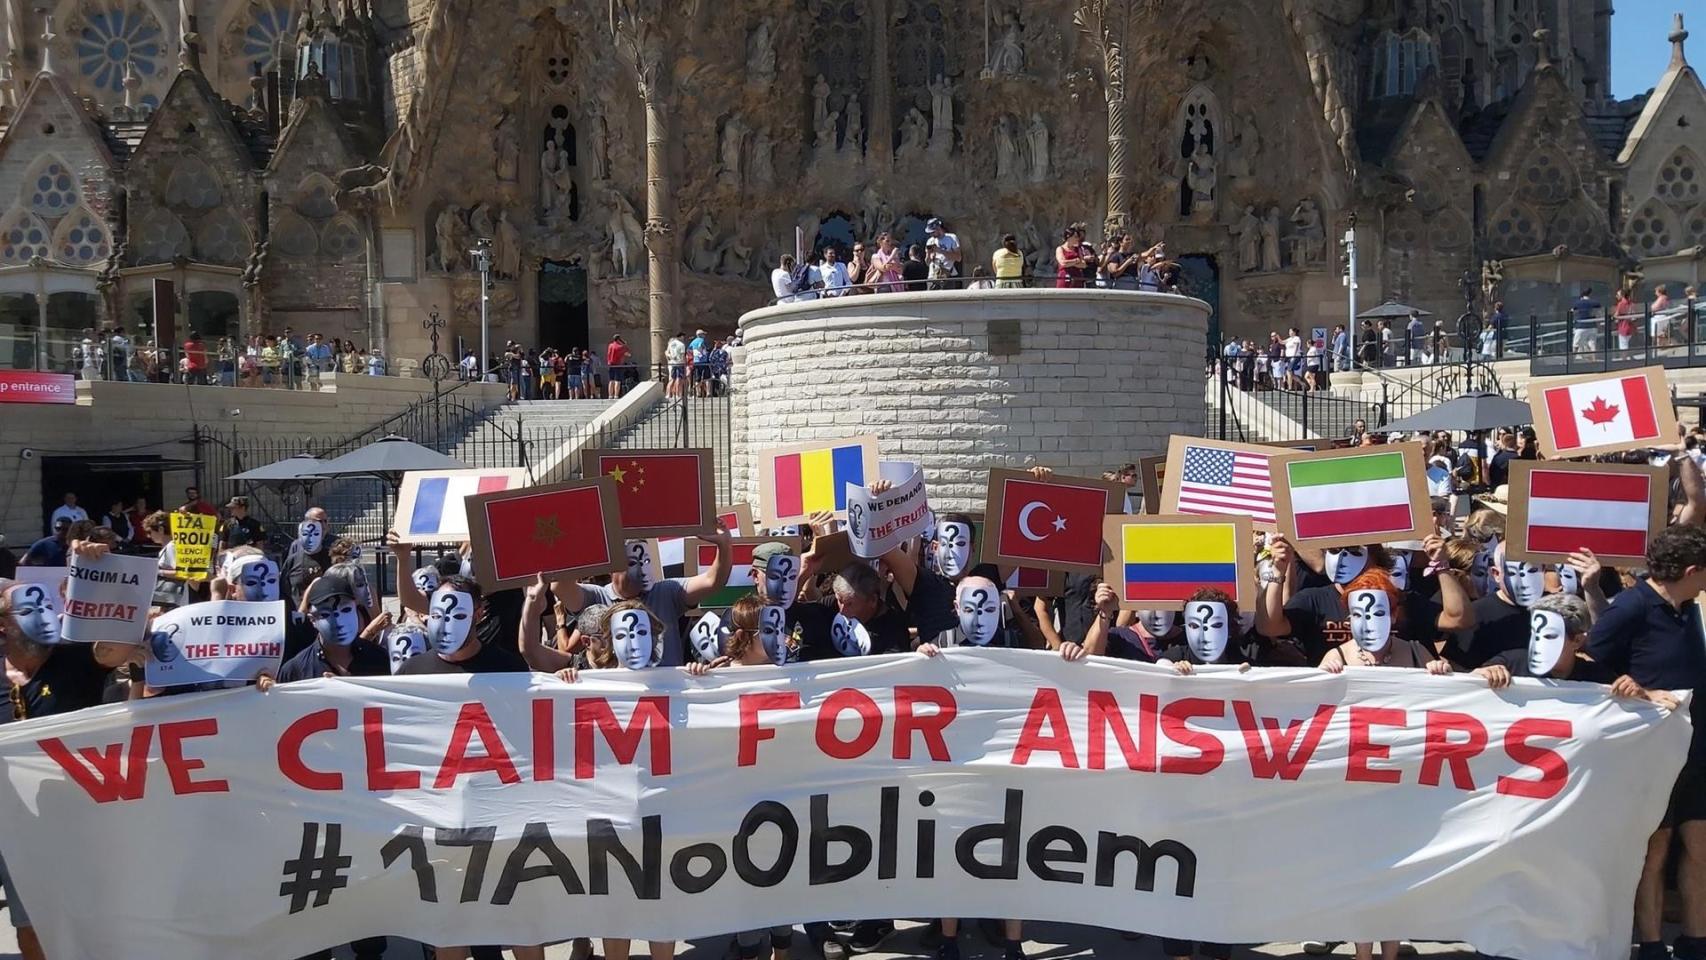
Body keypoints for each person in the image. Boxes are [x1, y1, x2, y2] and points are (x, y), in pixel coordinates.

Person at [1587, 525, 1706, 960]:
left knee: (1699, 847)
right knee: (1655, 851)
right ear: (1691, 570)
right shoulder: (1632, 606)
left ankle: (1696, 940)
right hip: (1650, 753)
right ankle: (1652, 943)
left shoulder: (1690, 607)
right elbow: (1590, 660)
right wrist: (1636, 690)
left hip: (1696, 748)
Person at [553, 526, 733, 667]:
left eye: (646, 561)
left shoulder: (666, 592)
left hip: (667, 698)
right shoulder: (596, 596)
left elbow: (712, 581)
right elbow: (559, 586)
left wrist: (724, 544)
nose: (641, 570)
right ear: (611, 566)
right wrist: (579, 542)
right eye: (632, 563)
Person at [283, 509, 333, 609]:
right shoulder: (297, 545)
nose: (323, 525)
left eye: (325, 521)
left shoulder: (335, 544)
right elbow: (286, 580)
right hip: (298, 605)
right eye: (319, 521)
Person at [924, 217, 961, 283]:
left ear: (938, 228)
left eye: (933, 232)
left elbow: (958, 258)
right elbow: (927, 263)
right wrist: (929, 254)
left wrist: (940, 251)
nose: (931, 234)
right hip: (933, 277)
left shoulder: (951, 238)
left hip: (947, 276)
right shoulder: (930, 241)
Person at [1572, 286, 1602, 354]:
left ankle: (1572, 361)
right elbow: (1599, 312)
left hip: (1581, 326)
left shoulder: (1577, 303)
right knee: (1592, 345)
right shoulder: (1595, 303)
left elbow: (1573, 312)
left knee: (1575, 345)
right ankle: (1593, 361)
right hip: (1592, 326)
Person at [606, 334, 631, 399]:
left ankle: (610, 395)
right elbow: (628, 354)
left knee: (611, 380)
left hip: (610, 364)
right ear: (619, 339)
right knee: (618, 381)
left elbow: (608, 354)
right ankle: (616, 395)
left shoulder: (610, 345)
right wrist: (625, 344)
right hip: (618, 364)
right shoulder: (621, 347)